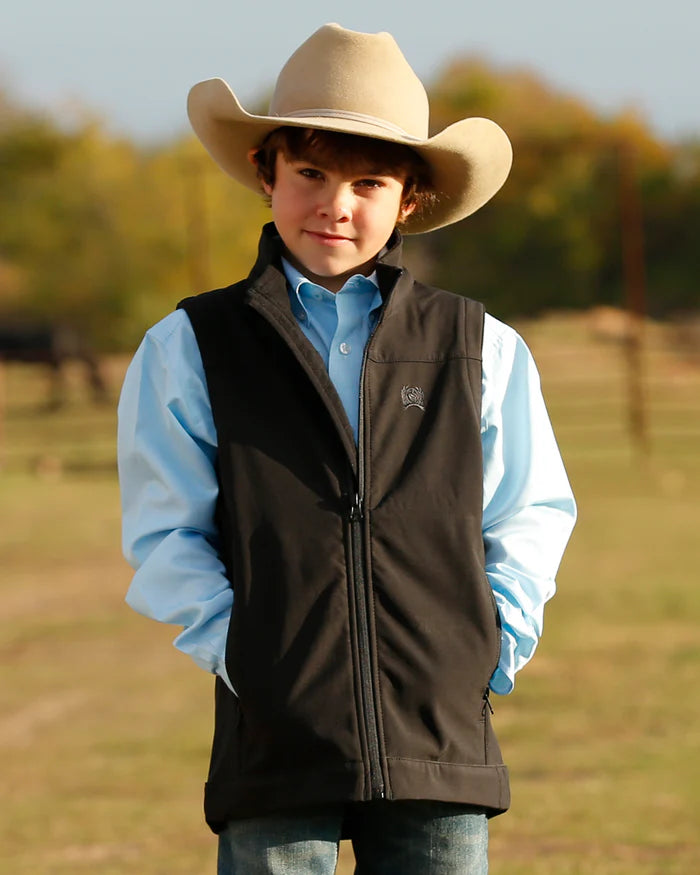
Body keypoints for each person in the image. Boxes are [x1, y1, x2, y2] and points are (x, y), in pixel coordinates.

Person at [118, 23, 576, 874]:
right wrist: (245, 654)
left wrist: (489, 646)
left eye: (369, 181)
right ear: (267, 174)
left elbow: (530, 511)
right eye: (312, 174)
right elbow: (164, 530)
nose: (336, 203)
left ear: (410, 200)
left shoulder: (481, 346)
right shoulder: (190, 345)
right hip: (277, 736)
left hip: (439, 733)